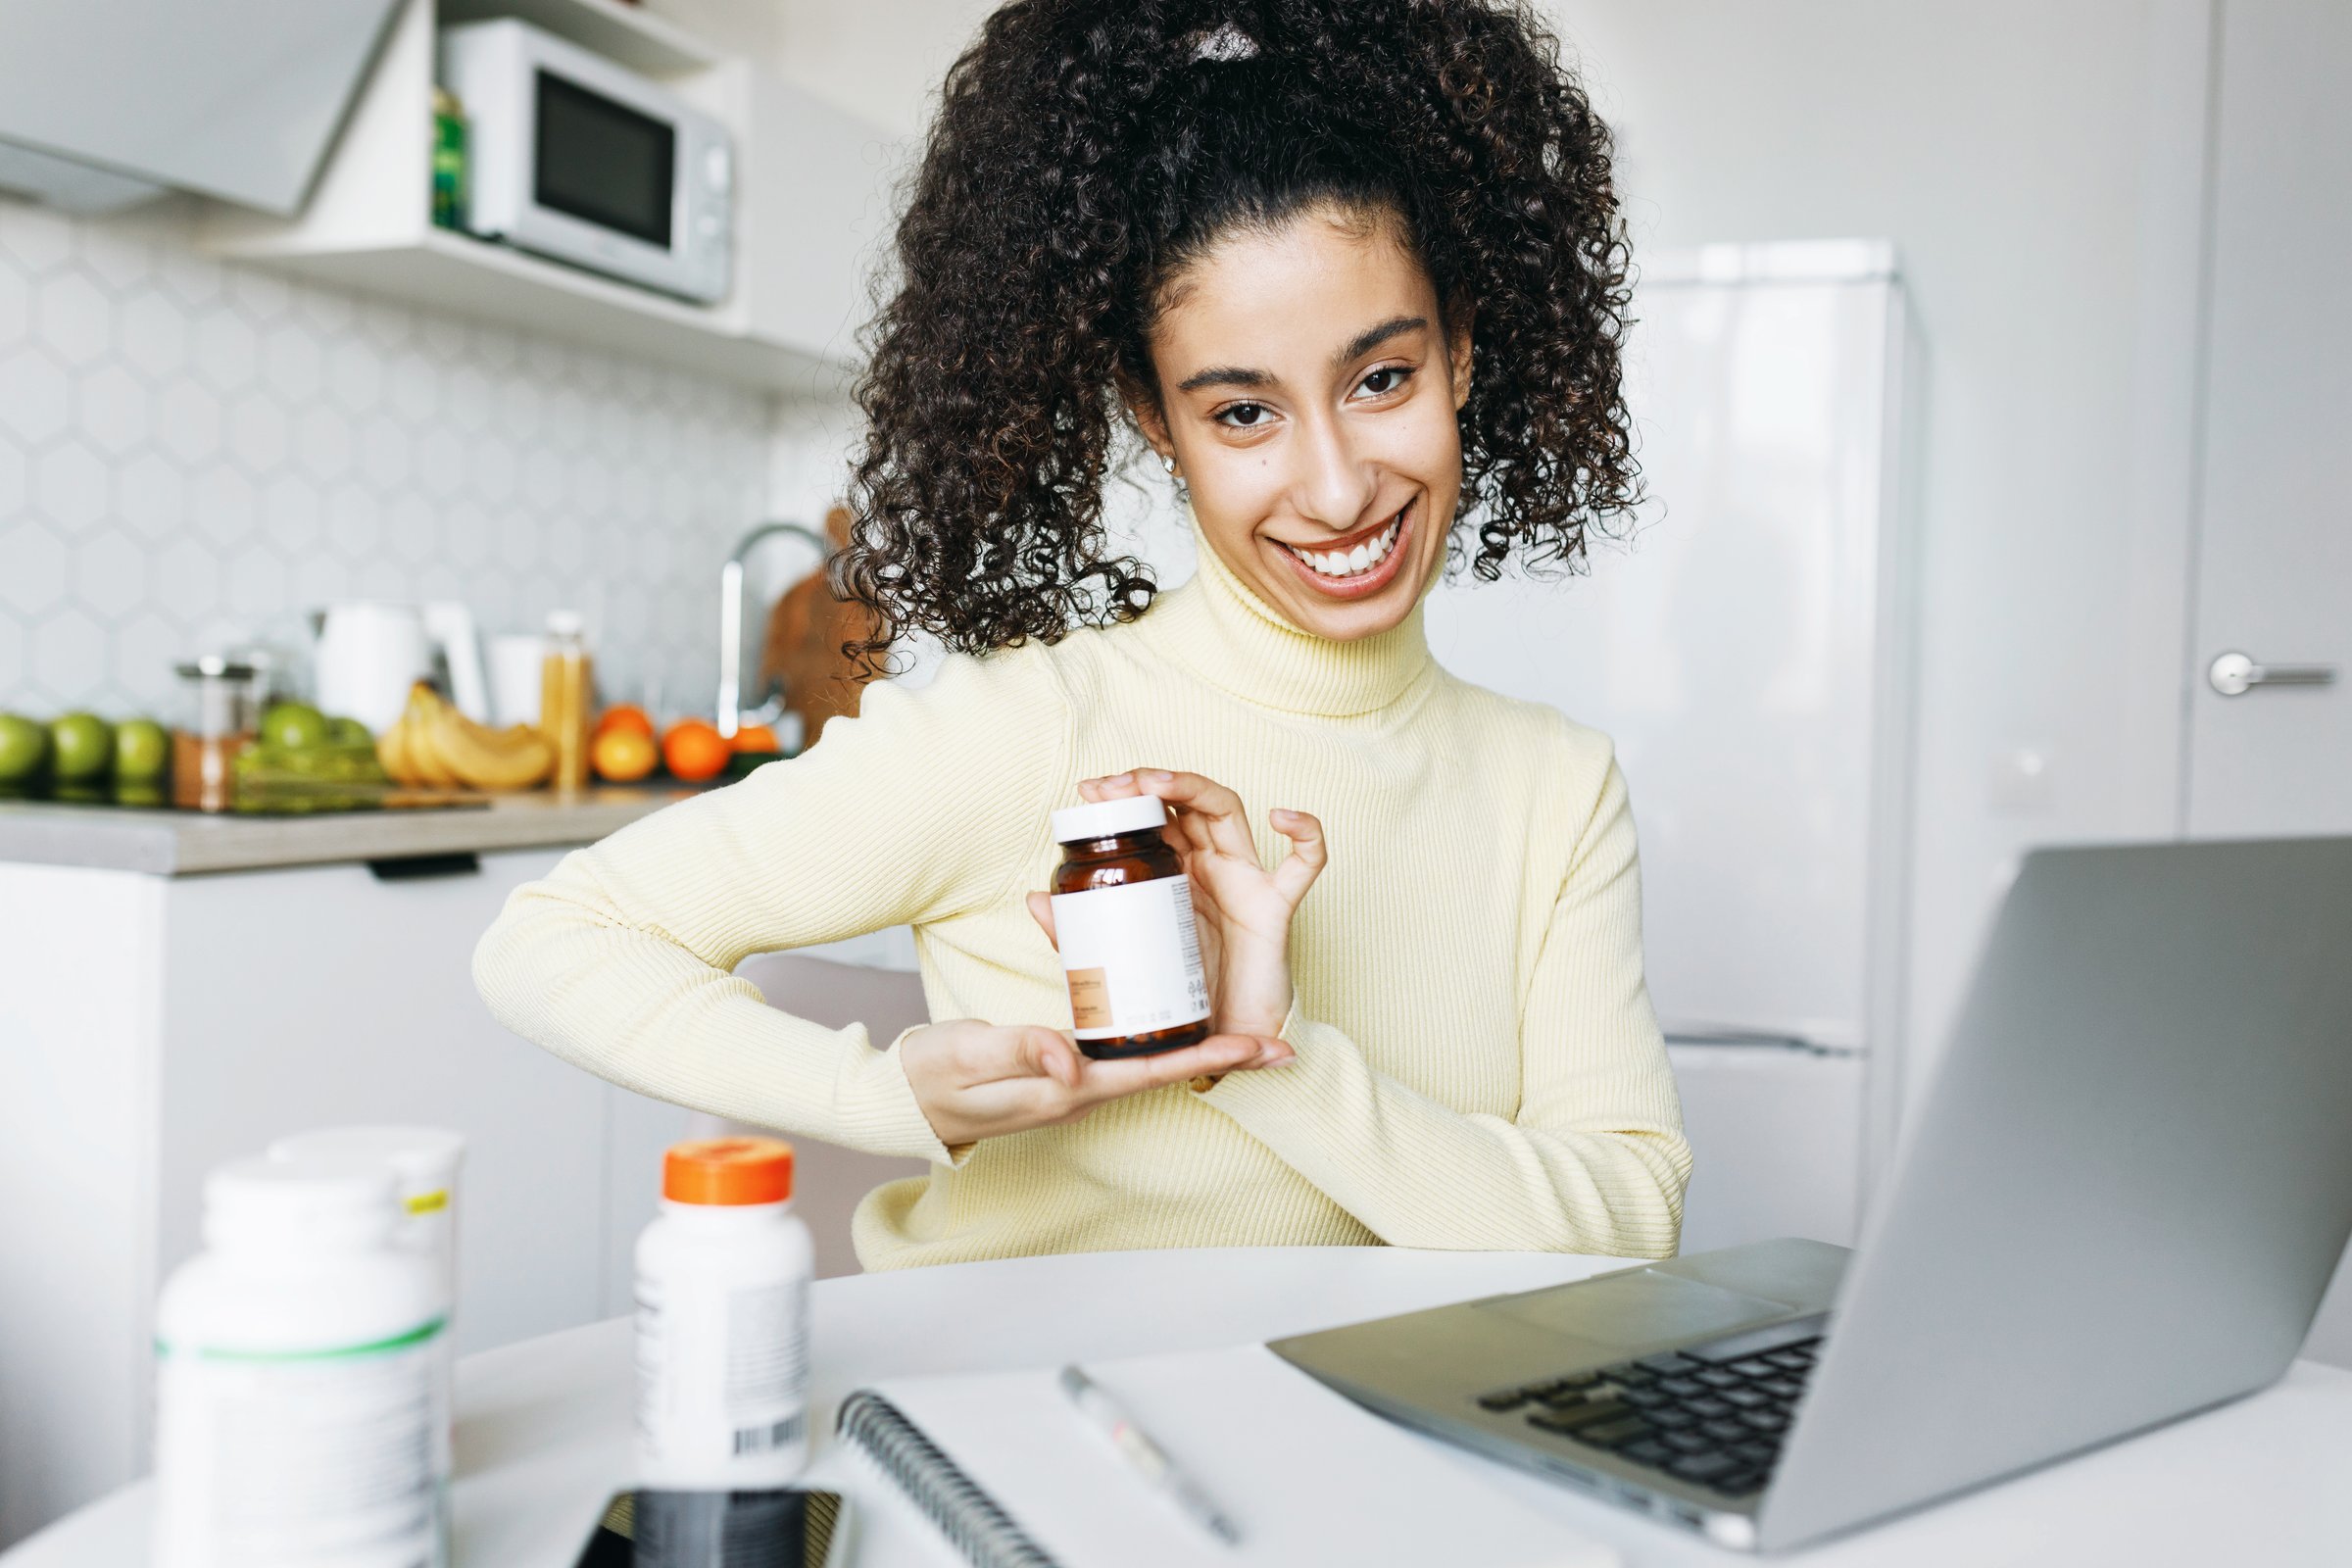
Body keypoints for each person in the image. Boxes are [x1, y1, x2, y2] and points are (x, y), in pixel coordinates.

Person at [474, 0, 1690, 1271]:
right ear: (1156, 421)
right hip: (1022, 1427)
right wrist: (890, 1096)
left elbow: (1633, 1219)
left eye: (1381, 378)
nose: (1335, 489)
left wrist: (1268, 1055)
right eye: (1241, 413)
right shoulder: (1038, 730)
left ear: (1463, 354)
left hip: (1382, 1438)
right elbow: (553, 941)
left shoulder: (1556, 791)